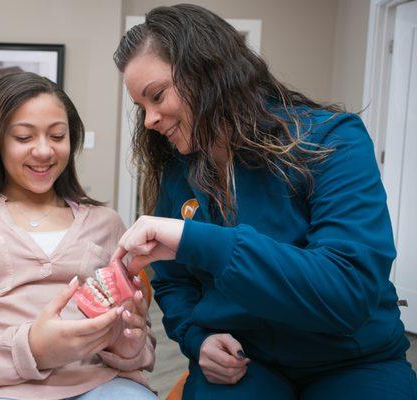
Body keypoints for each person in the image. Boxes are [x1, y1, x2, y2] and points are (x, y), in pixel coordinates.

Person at [112, 4, 417, 399]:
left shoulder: (333, 141)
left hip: (354, 358)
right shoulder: (178, 170)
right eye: (142, 107)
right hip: (247, 360)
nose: (150, 119)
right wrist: (197, 337)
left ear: (208, 70)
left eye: (157, 96)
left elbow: (347, 289)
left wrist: (197, 239)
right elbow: (173, 282)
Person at [0, 72, 156, 400]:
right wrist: (32, 349)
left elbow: (143, 346)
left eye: (57, 135)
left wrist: (128, 345)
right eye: (23, 137)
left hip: (96, 383)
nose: (43, 151)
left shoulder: (106, 224)